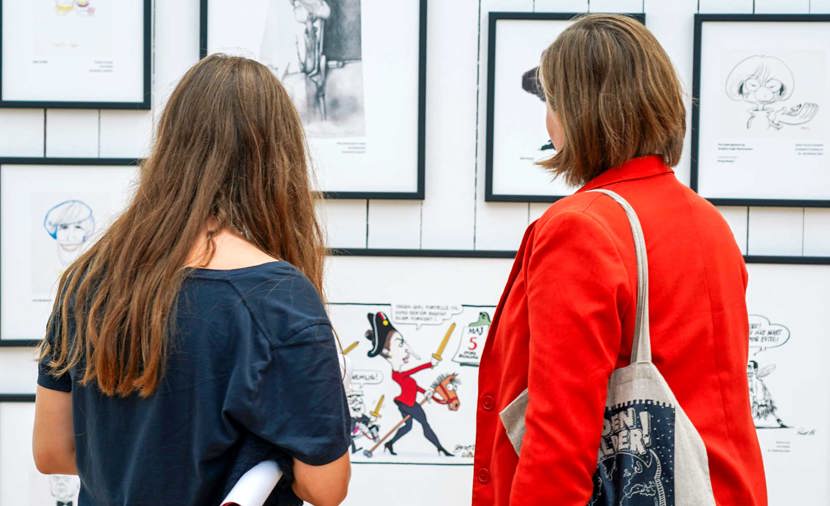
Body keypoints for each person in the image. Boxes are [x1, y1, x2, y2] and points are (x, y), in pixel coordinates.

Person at [473, 14, 767, 506]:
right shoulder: (708, 222)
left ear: (577, 110)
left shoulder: (580, 228)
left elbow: (559, 441)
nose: (548, 120)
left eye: (551, 102)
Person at [32, 54, 351, 506]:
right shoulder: (279, 298)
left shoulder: (88, 281)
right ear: (278, 161)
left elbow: (52, 452)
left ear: (171, 147)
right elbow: (326, 488)